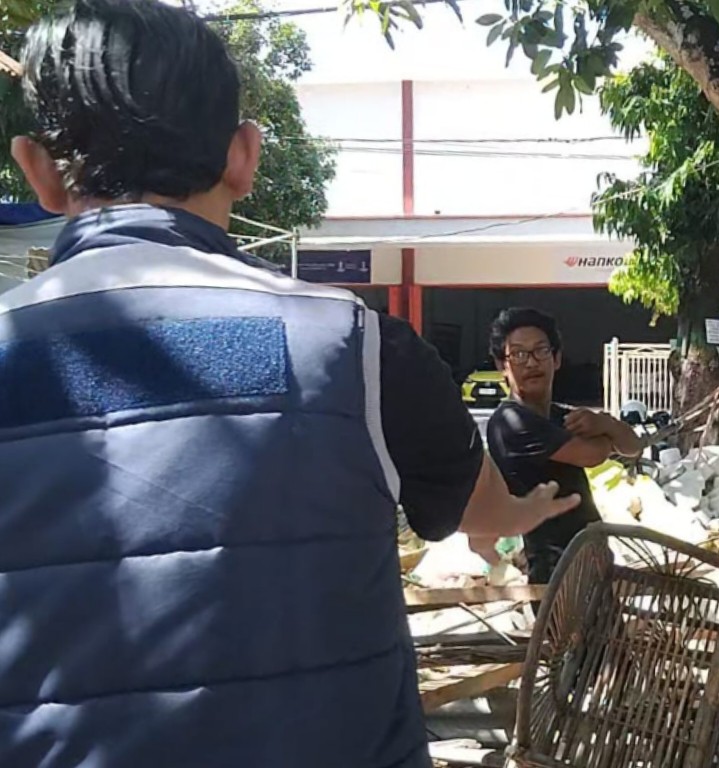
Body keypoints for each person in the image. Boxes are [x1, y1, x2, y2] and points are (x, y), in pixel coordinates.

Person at [0, 2, 576, 765]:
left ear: (37, 169)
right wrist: (529, 509)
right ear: (244, 156)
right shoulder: (356, 347)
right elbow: (484, 511)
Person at [483, 308, 645, 584]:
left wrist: (605, 423)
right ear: (502, 365)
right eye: (519, 354)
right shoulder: (511, 422)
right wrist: (606, 434)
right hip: (555, 569)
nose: (531, 362)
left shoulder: (558, 415)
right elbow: (591, 455)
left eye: (541, 351)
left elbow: (633, 447)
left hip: (590, 558)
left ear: (556, 358)